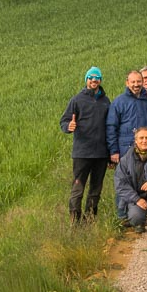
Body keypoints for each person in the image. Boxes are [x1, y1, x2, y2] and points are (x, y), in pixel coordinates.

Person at [59, 66, 111, 223]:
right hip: (82, 153)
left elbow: (110, 126)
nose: (94, 80)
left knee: (96, 190)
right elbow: (64, 120)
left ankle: (90, 221)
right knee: (78, 189)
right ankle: (75, 221)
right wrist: (69, 126)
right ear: (86, 80)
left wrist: (110, 152)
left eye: (97, 78)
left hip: (101, 153)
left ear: (100, 80)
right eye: (91, 78)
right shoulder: (76, 100)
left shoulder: (106, 101)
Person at [107, 69, 147, 222]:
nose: (136, 84)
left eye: (138, 81)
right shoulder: (119, 102)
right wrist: (113, 151)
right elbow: (111, 127)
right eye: (133, 82)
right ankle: (122, 216)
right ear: (127, 83)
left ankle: (141, 213)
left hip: (146, 148)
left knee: (144, 179)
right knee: (124, 181)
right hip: (125, 148)